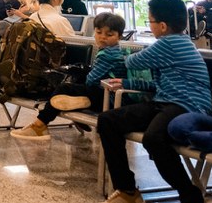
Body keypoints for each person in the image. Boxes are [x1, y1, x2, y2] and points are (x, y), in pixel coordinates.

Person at [98, 0, 211, 203]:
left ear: (162, 26)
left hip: (187, 106)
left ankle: (189, 194)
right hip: (165, 102)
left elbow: (132, 61)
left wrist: (118, 55)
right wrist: (127, 83)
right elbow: (158, 86)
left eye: (150, 21)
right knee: (108, 120)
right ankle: (126, 189)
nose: (149, 26)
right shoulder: (176, 43)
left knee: (153, 139)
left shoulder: (170, 43)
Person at [10, 13, 154, 140]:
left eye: (109, 35)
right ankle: (72, 107)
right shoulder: (120, 51)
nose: (102, 37)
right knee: (67, 90)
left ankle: (39, 125)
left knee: (64, 88)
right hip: (114, 97)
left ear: (120, 36)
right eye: (99, 32)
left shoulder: (108, 55)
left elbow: (91, 80)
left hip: (109, 99)